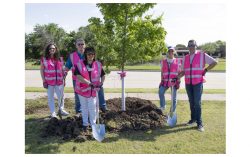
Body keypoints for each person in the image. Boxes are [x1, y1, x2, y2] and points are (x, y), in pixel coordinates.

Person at [178, 40, 217, 132]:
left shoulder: (202, 55)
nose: (191, 47)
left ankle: (200, 123)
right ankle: (193, 120)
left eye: (193, 45)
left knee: (197, 103)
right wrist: (177, 77)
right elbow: (184, 71)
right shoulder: (186, 57)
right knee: (191, 102)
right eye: (190, 45)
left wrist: (206, 70)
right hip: (188, 83)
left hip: (198, 83)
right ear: (188, 47)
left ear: (196, 46)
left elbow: (214, 62)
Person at [65, 39, 108, 115]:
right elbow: (67, 67)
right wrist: (64, 73)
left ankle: (102, 106)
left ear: (85, 45)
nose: (81, 46)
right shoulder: (72, 56)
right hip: (78, 79)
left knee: (99, 91)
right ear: (76, 46)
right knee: (78, 95)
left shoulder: (90, 53)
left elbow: (97, 66)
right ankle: (79, 110)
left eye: (82, 44)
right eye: (79, 44)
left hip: (93, 79)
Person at [74, 47, 105, 132]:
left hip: (93, 90)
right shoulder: (80, 64)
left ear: (94, 55)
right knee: (84, 107)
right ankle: (85, 124)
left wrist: (101, 83)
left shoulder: (98, 64)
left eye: (92, 54)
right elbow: (78, 76)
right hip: (82, 90)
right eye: (88, 54)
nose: (90, 55)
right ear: (86, 55)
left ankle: (93, 125)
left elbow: (103, 75)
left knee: (92, 107)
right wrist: (89, 83)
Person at [40, 43, 69, 118]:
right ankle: (53, 112)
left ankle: (61, 109)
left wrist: (64, 77)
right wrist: (44, 81)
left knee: (61, 96)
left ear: (56, 50)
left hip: (59, 82)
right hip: (49, 82)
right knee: (50, 97)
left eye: (53, 48)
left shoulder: (60, 59)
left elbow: (63, 69)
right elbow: (42, 70)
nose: (52, 50)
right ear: (48, 50)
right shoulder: (44, 59)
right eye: (50, 48)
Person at [158, 46, 182, 112]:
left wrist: (179, 80)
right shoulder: (163, 61)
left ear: (174, 52)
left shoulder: (177, 61)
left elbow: (179, 72)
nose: (171, 52)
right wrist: (161, 79)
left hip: (174, 82)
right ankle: (162, 106)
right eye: (169, 51)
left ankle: (172, 111)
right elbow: (162, 71)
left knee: (173, 98)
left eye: (172, 51)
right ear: (167, 52)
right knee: (160, 92)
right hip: (165, 81)